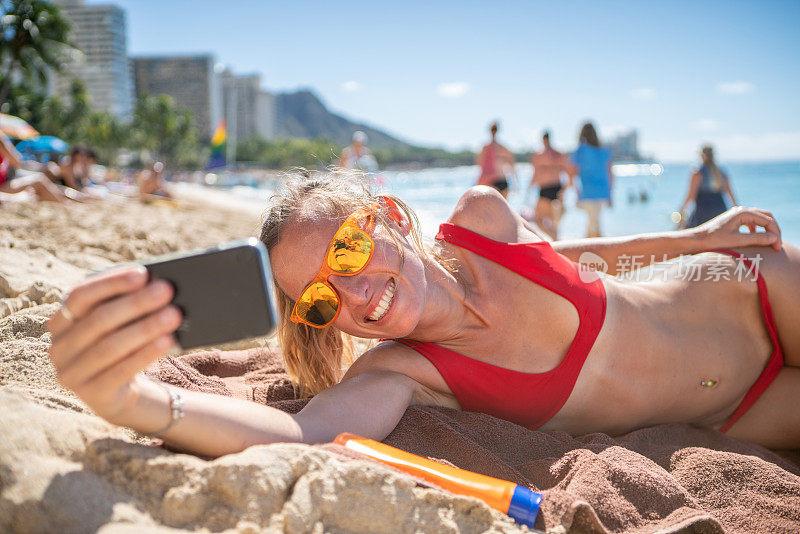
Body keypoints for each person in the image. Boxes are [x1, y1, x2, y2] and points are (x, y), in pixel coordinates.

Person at [48, 173, 799, 459]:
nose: (352, 295)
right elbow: (303, 431)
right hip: (739, 410)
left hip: (748, 290)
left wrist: (691, 240)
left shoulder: (480, 219)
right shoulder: (406, 371)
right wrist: (135, 402)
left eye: (346, 251)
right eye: (320, 300)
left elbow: (575, 252)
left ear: (391, 219)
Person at [569, 122, 613, 237]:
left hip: (587, 192)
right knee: (595, 224)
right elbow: (610, 174)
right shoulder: (603, 151)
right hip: (602, 192)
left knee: (593, 225)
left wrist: (577, 193)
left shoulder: (580, 150)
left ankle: (588, 251)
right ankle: (598, 251)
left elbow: (572, 174)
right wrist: (610, 194)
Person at [678, 145, 738, 229]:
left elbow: (691, 196)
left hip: (703, 211)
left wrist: (681, 210)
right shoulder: (721, 171)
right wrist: (737, 210)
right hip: (720, 210)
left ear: (701, 155)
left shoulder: (697, 172)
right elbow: (730, 194)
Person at [529, 131, 574, 240]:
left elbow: (535, 175)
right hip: (557, 188)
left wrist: (528, 190)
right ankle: (556, 240)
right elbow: (570, 173)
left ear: (543, 140)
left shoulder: (539, 155)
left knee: (538, 219)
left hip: (545, 189)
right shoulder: (559, 154)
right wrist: (564, 190)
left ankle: (555, 239)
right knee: (554, 221)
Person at [0, 132, 66, 203]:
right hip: (3, 187)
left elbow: (17, 162)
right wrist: (19, 197)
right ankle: (65, 205)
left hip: (6, 182)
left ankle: (66, 204)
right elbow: (17, 161)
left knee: (42, 179)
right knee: (39, 182)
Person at [476, 122, 515, 198]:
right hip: (503, 180)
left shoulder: (486, 148)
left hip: (491, 181)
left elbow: (481, 166)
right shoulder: (502, 148)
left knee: (490, 208)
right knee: (503, 208)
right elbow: (512, 165)